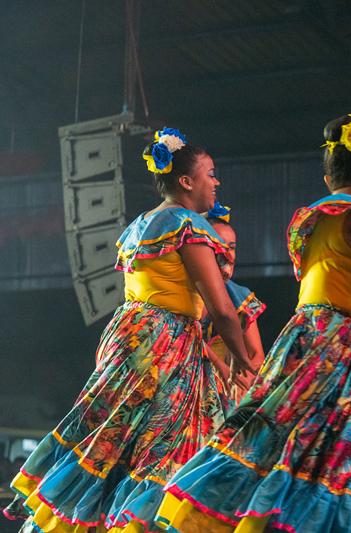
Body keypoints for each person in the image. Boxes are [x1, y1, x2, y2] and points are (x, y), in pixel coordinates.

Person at [156, 112, 351, 532]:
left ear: (329, 177)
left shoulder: (316, 222)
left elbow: (330, 322)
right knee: (338, 465)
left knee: (281, 450)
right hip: (338, 351)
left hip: (300, 341)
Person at [4, 128, 257, 531]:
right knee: (163, 442)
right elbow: (222, 309)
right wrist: (242, 360)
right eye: (210, 174)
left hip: (129, 334)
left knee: (115, 434)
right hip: (165, 340)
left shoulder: (139, 225)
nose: (216, 182)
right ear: (186, 181)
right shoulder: (187, 225)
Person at [204, 201, 267, 404]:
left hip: (225, 394)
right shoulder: (185, 297)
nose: (228, 255)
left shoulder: (240, 298)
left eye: (232, 247)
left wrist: (242, 382)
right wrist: (221, 369)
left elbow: (256, 356)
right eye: (219, 247)